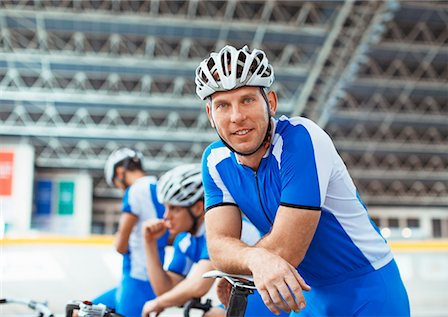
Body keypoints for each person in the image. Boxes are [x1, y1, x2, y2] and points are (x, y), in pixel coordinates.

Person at [195, 45, 410, 316]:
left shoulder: (302, 139)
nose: (237, 116)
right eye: (223, 105)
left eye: (247, 100)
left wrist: (242, 264)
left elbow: (287, 248)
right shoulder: (214, 160)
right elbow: (218, 247)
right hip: (302, 291)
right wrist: (253, 259)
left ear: (270, 102)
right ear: (210, 115)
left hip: (366, 288)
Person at [141, 164, 285, 317]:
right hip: (248, 292)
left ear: (197, 208)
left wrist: (158, 303)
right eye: (165, 208)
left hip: (275, 293)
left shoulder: (218, 230)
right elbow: (166, 290)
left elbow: (198, 286)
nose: (166, 216)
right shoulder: (185, 240)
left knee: (213, 315)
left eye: (174, 208)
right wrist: (149, 244)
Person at [92, 148, 169, 317]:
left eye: (116, 183)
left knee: (83, 312)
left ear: (120, 172)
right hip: (153, 277)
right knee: (85, 310)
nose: (120, 189)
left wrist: (120, 239)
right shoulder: (160, 187)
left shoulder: (135, 190)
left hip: (136, 278)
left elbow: (120, 245)